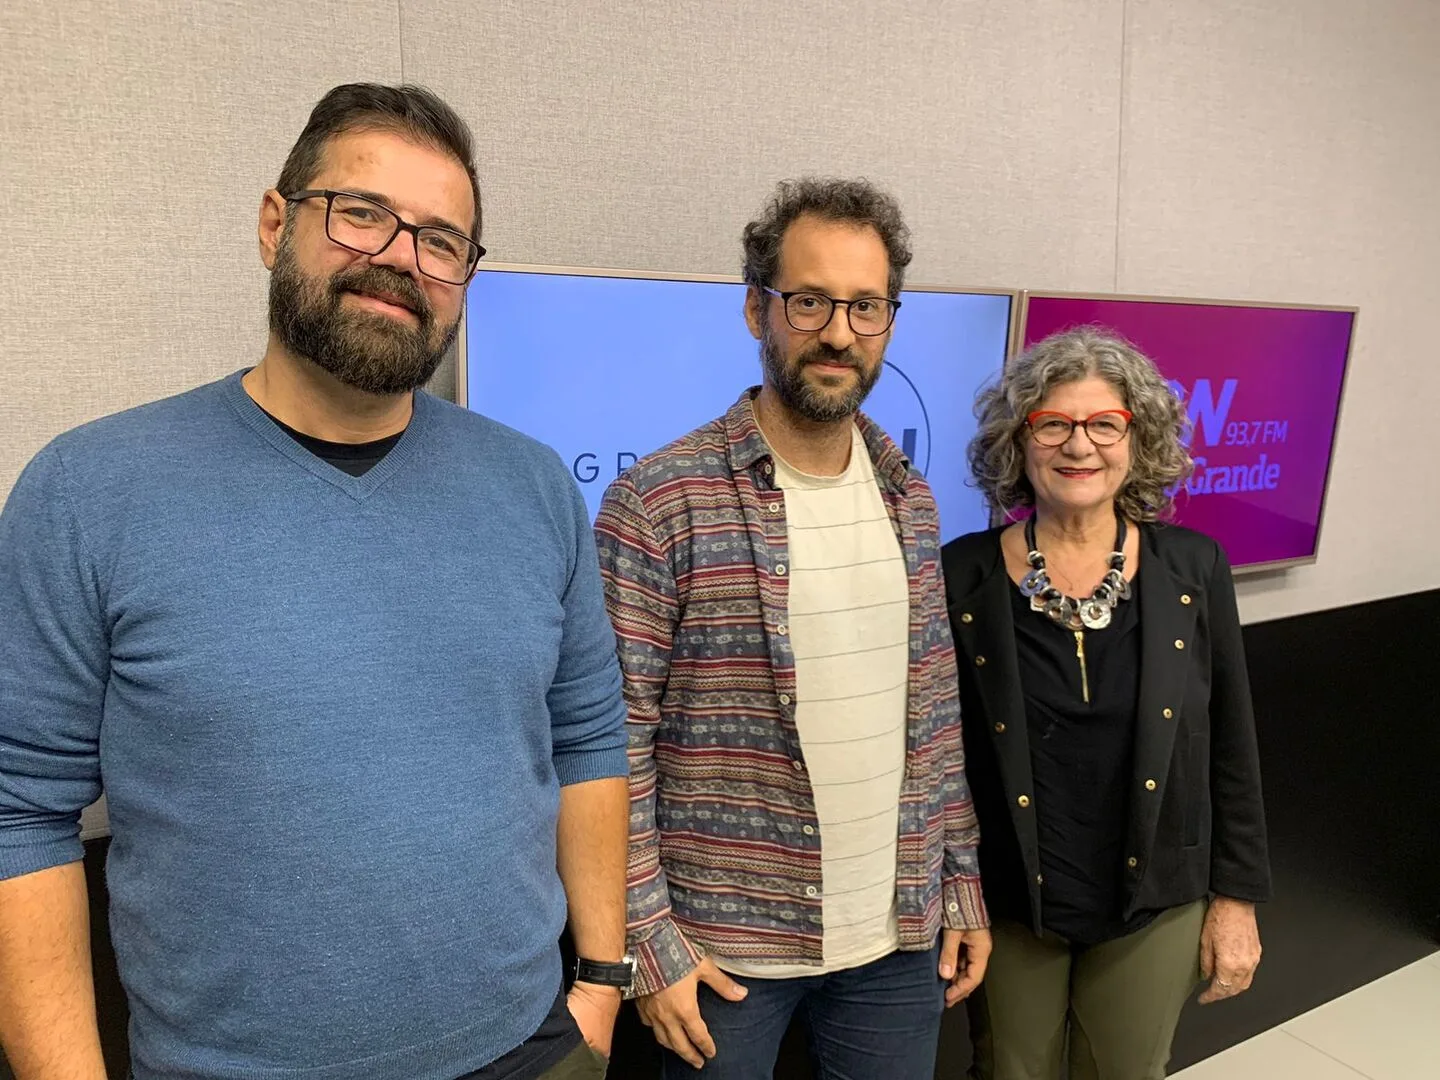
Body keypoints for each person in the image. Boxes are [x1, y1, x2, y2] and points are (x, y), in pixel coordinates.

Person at [0, 83, 631, 1080]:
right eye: (363, 212)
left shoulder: (534, 486)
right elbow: (18, 811)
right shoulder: (89, 492)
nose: (399, 259)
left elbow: (588, 732)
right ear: (273, 223)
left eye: (442, 240)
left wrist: (601, 980)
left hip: (532, 1051)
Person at [594, 177, 992, 1080]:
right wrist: (645, 938)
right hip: (722, 951)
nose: (839, 332)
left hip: (897, 937)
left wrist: (960, 881)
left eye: (866, 306)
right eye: (810, 301)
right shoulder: (660, 502)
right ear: (755, 310)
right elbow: (612, 739)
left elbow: (932, 717)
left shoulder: (910, 499)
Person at [941, 328, 1271, 1080]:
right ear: (1017, 443)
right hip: (1011, 899)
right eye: (1052, 423)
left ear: (1137, 439)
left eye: (1103, 425)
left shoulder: (1193, 566)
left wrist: (1238, 901)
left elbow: (1232, 744)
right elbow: (932, 759)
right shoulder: (961, 576)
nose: (1078, 446)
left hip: (1155, 896)